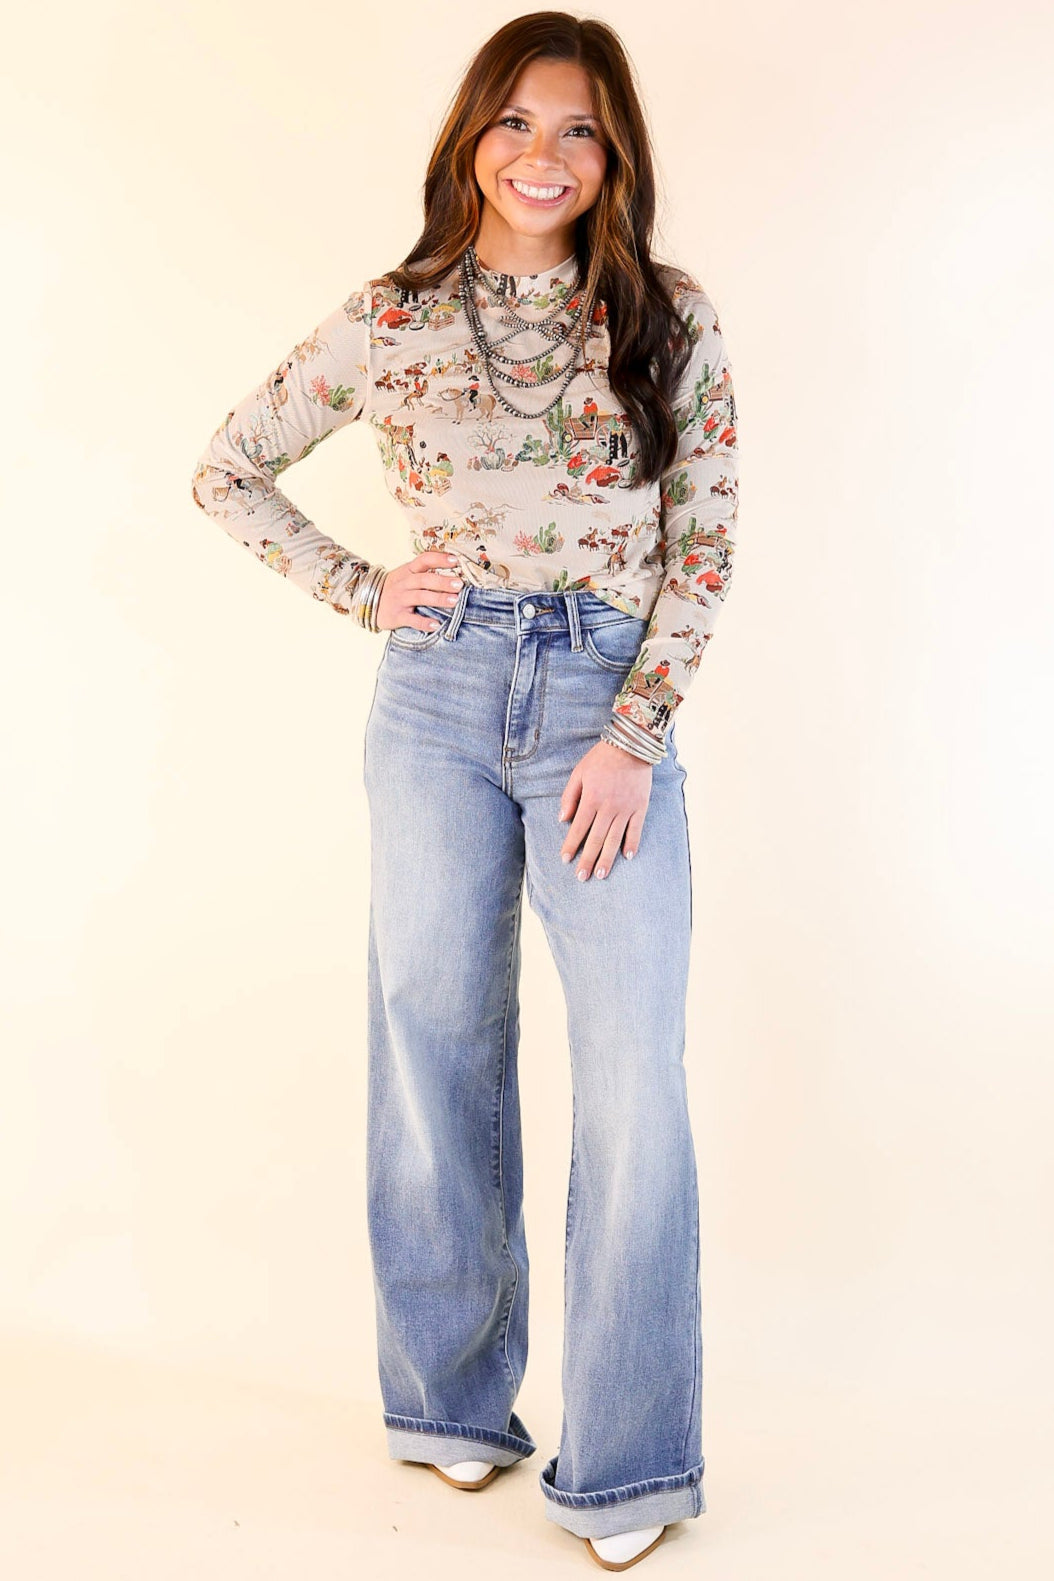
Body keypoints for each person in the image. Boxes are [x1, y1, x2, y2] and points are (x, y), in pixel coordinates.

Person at [190, 11, 738, 1571]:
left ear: (613, 155)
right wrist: (367, 589)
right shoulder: (393, 316)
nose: (541, 155)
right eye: (514, 122)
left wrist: (632, 733)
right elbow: (227, 467)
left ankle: (628, 1460)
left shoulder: (670, 319)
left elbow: (704, 540)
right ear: (468, 139)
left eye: (577, 129)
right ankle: (445, 1398)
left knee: (630, 1072)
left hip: (600, 705)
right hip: (433, 697)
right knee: (432, 1037)